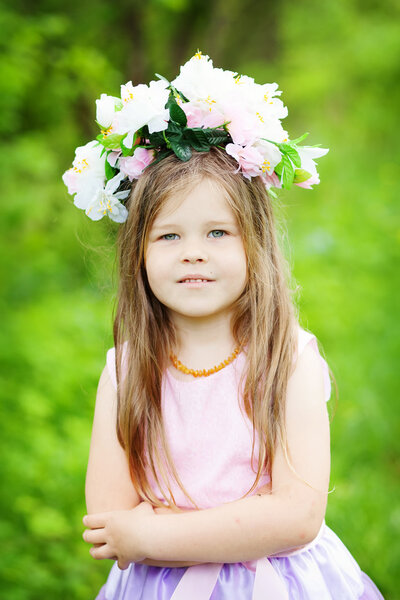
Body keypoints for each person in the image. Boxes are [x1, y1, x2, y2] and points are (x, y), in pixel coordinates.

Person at [63, 53, 384, 599]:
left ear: (255, 244)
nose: (193, 254)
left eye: (217, 233)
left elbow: (296, 519)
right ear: (137, 252)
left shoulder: (288, 360)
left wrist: (154, 531)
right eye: (169, 236)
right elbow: (110, 522)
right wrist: (221, 526)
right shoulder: (125, 368)